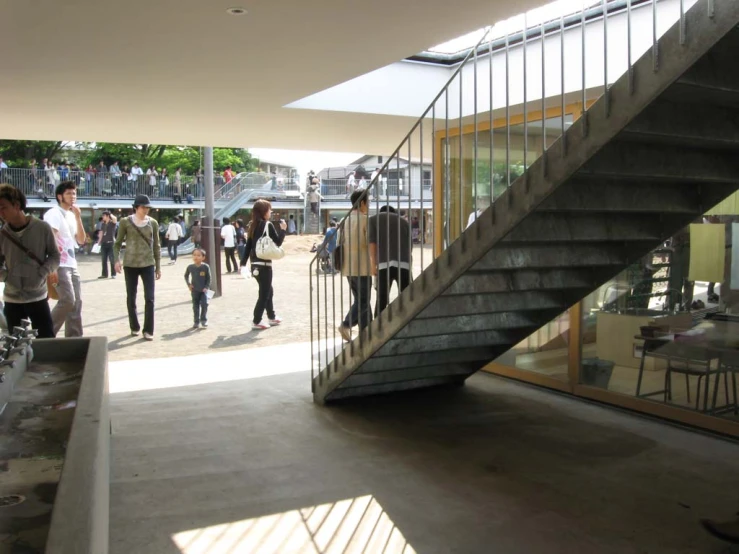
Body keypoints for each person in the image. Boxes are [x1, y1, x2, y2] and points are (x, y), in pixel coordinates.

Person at [0, 184, 59, 338]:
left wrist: (42, 273)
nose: (1, 212)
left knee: (46, 340)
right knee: (17, 345)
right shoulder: (2, 234)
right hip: (12, 297)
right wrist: (6, 277)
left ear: (17, 204)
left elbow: (54, 255)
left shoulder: (42, 228)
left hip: (37, 296)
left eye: (3, 207)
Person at [114, 194, 161, 340]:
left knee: (150, 298)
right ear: (136, 207)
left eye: (147, 207)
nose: (145, 210)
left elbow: (156, 245)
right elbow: (117, 243)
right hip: (130, 264)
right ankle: (134, 326)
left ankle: (148, 330)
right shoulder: (125, 222)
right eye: (143, 207)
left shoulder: (153, 223)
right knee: (131, 297)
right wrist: (117, 260)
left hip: (148, 263)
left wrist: (158, 266)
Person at [42, 181, 86, 337]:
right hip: (59, 264)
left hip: (72, 263)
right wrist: (51, 267)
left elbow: (81, 240)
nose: (73, 196)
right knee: (68, 299)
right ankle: (45, 334)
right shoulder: (53, 213)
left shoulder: (72, 215)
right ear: (60, 196)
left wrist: (79, 217)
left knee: (76, 302)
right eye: (69, 193)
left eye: (74, 193)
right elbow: (50, 240)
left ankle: (74, 339)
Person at [239, 199, 287, 330]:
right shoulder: (267, 225)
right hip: (264, 265)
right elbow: (277, 243)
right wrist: (283, 230)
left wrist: (243, 264)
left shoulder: (252, 226)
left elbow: (248, 246)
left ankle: (272, 316)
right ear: (264, 211)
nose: (270, 212)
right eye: (269, 209)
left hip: (255, 265)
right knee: (264, 293)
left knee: (268, 291)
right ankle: (257, 320)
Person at [337, 190, 372, 341]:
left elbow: (340, 242)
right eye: (368, 201)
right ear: (363, 203)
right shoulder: (365, 220)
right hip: (363, 266)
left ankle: (367, 331)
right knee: (363, 301)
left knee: (360, 299)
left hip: (347, 266)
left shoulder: (344, 221)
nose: (368, 205)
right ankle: (346, 324)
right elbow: (370, 243)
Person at [369, 205, 411, 316]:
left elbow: (372, 243)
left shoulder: (373, 220)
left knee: (382, 299)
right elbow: (410, 246)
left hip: (384, 264)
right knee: (407, 297)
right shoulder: (404, 222)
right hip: (404, 264)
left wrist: (373, 264)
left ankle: (378, 327)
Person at [184, 248, 211, 329]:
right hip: (194, 290)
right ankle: (196, 321)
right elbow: (186, 276)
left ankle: (204, 320)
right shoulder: (190, 267)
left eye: (199, 255)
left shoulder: (205, 267)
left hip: (204, 291)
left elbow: (209, 278)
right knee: (195, 306)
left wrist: (206, 287)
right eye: (194, 255)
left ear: (203, 257)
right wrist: (189, 284)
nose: (196, 257)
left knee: (204, 304)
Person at [97, 210, 117, 279]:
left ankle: (113, 274)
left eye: (104, 215)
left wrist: (109, 213)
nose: (102, 217)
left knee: (112, 259)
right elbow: (101, 233)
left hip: (111, 243)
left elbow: (115, 219)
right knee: (104, 259)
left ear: (107, 216)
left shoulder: (112, 223)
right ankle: (104, 274)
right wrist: (98, 242)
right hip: (104, 243)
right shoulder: (103, 224)